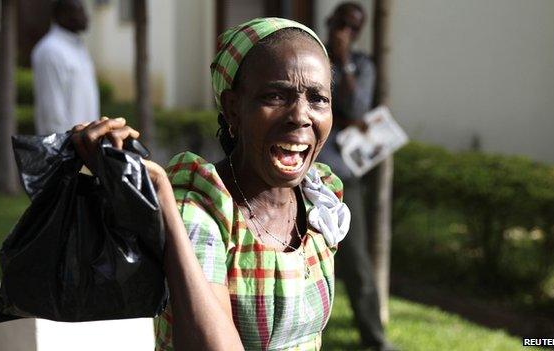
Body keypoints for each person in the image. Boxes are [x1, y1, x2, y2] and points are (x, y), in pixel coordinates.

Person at [71, 17, 351, 350]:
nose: (300, 116)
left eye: (318, 99)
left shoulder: (319, 201)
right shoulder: (202, 211)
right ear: (233, 109)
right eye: (275, 96)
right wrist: (164, 203)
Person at [317, 3, 395, 351]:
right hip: (306, 170)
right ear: (329, 21)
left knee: (356, 262)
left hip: (343, 176)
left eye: (353, 27)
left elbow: (356, 107)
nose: (344, 31)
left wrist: (344, 60)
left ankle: (375, 339)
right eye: (340, 23)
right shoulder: (311, 55)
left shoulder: (361, 65)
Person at [32, 0, 98, 135]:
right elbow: (52, 110)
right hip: (65, 147)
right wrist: (63, 150)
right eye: (77, 11)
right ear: (60, 15)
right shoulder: (50, 50)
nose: (84, 16)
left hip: (85, 143)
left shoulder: (77, 47)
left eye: (83, 11)